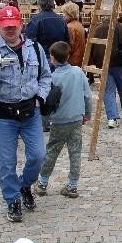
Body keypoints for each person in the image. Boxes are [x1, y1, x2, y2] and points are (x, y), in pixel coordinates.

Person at [0, 6, 51, 222]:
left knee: (38, 156)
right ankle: (12, 200)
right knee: (6, 162)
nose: (10, 30)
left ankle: (25, 184)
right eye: (6, 27)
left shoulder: (34, 49)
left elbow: (45, 76)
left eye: (13, 26)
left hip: (29, 112)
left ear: (20, 25)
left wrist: (40, 97)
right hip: (4, 114)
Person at [35, 41, 92, 199]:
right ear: (68, 55)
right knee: (75, 152)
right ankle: (72, 185)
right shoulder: (78, 72)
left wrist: (44, 120)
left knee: (52, 151)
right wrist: (88, 113)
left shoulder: (53, 78)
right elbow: (87, 95)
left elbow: (48, 102)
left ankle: (42, 183)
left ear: (52, 58)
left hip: (59, 120)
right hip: (76, 119)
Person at [90, 19, 122, 128]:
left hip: (103, 63)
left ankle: (112, 118)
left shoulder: (98, 28)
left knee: (108, 90)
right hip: (119, 62)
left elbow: (92, 46)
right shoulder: (121, 27)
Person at [25, 0, 70, 66]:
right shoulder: (61, 20)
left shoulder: (35, 20)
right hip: (59, 60)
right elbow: (67, 41)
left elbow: (29, 42)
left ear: (39, 5)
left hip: (42, 60)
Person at [61, 1, 86, 67]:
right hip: (79, 58)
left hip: (72, 60)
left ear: (69, 14)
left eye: (64, 13)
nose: (63, 16)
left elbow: (70, 46)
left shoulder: (70, 27)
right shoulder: (79, 25)